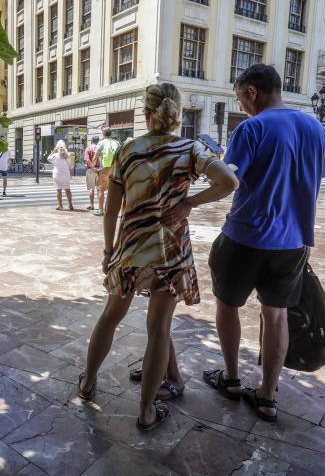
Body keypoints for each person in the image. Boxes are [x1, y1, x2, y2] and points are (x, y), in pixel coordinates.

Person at [77, 83, 238, 431]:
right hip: (170, 253)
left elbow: (110, 213)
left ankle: (88, 383)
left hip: (132, 249)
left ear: (147, 114)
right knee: (158, 329)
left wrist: (108, 252)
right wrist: (188, 204)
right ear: (178, 114)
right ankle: (147, 412)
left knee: (110, 317)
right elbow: (228, 181)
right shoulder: (190, 149)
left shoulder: (127, 152)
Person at [202, 64, 325, 423]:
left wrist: (190, 200)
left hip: (245, 237)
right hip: (292, 243)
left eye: (241, 98)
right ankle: (268, 396)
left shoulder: (252, 128)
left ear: (252, 92)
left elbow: (228, 180)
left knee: (227, 306)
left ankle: (230, 378)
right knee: (276, 317)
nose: (241, 106)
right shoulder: (317, 129)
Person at [94, 127, 120, 216]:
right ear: (111, 134)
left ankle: (101, 210)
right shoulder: (116, 142)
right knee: (112, 190)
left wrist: (94, 168)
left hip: (104, 168)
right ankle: (112, 210)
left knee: (101, 189)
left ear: (103, 134)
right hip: (115, 168)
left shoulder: (101, 143)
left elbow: (95, 157)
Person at [48, 140, 74, 211]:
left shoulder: (55, 156)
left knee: (58, 190)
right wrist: (71, 175)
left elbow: (48, 158)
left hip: (57, 175)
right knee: (68, 190)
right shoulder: (69, 155)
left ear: (57, 147)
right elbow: (71, 167)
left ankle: (60, 205)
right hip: (66, 175)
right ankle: (70, 205)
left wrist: (54, 151)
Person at [84, 135, 100, 211]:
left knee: (91, 188)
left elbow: (87, 160)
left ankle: (92, 205)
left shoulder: (88, 148)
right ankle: (100, 206)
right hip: (99, 170)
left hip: (90, 170)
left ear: (91, 141)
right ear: (98, 141)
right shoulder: (99, 148)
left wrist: (92, 167)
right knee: (99, 189)